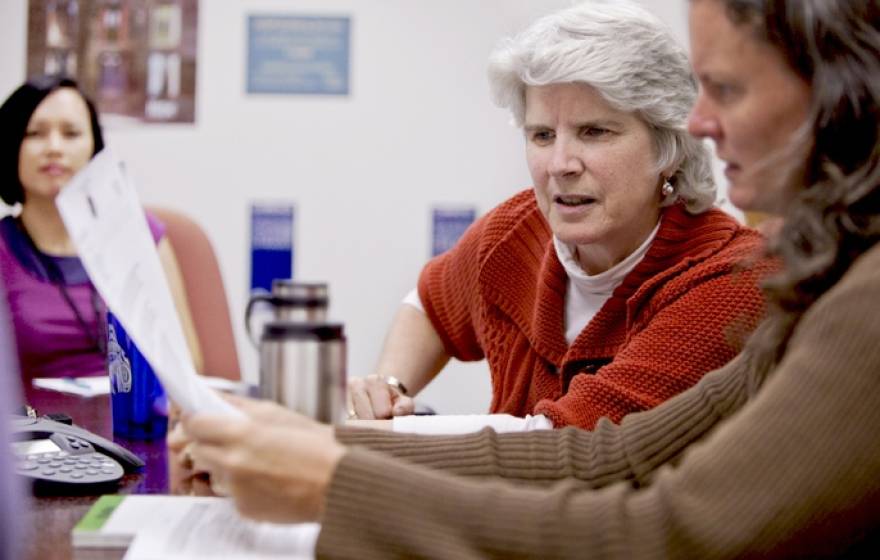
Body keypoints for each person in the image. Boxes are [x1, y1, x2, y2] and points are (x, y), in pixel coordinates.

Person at [179, 0, 880, 556]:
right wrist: (329, 438)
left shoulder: (778, 291)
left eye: (725, 90)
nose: (703, 121)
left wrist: (330, 477)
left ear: (837, 93)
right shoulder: (520, 231)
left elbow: (656, 527)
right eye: (542, 135)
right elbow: (609, 455)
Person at [346, 0, 774, 431]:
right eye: (543, 135)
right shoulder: (514, 231)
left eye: (595, 132)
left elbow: (566, 445)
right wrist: (389, 387)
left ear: (669, 147)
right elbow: (429, 304)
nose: (560, 163)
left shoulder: (735, 280)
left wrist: (376, 438)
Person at [0, 75, 203, 395]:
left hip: (135, 430)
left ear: (94, 148)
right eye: (35, 134)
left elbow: (188, 363)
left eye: (71, 133)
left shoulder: (141, 236)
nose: (54, 148)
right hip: (32, 436)